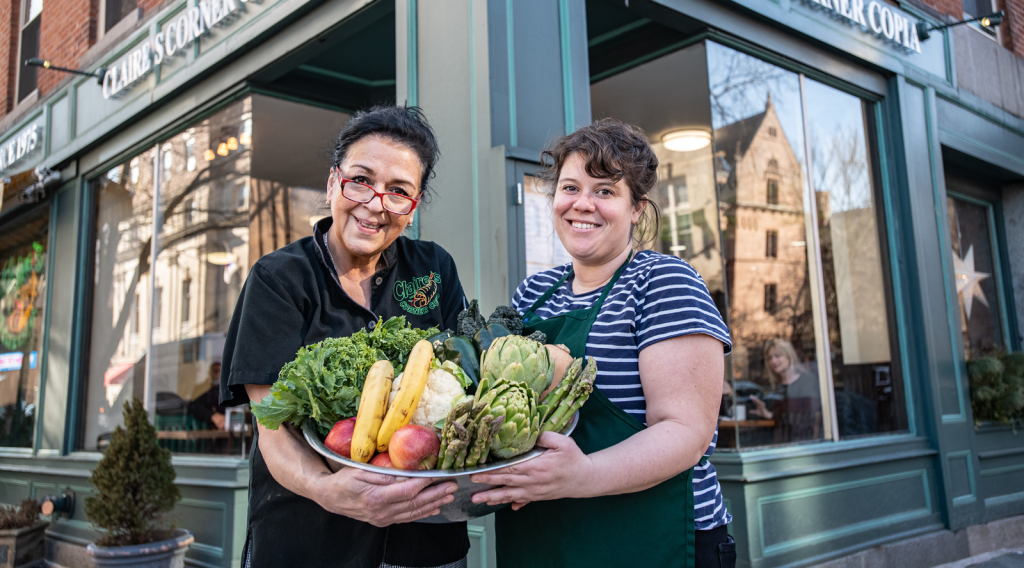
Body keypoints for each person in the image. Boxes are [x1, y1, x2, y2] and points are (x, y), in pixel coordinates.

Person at [470, 119, 736, 568]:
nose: (582, 204)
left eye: (606, 191)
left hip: (652, 536)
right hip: (542, 539)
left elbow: (686, 433)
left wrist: (583, 474)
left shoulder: (663, 282)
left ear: (636, 208)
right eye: (570, 187)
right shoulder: (532, 294)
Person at [219, 105, 470, 568]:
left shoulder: (435, 268)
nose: (376, 204)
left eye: (398, 192)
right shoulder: (279, 280)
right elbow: (273, 433)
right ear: (334, 183)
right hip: (309, 540)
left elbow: (470, 372)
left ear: (412, 209)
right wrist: (327, 490)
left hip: (426, 544)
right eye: (361, 180)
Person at [748, 338, 822, 442]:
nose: (773, 361)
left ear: (789, 355)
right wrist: (766, 414)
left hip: (804, 442)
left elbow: (811, 417)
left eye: (777, 356)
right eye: (770, 358)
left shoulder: (808, 382)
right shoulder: (773, 387)